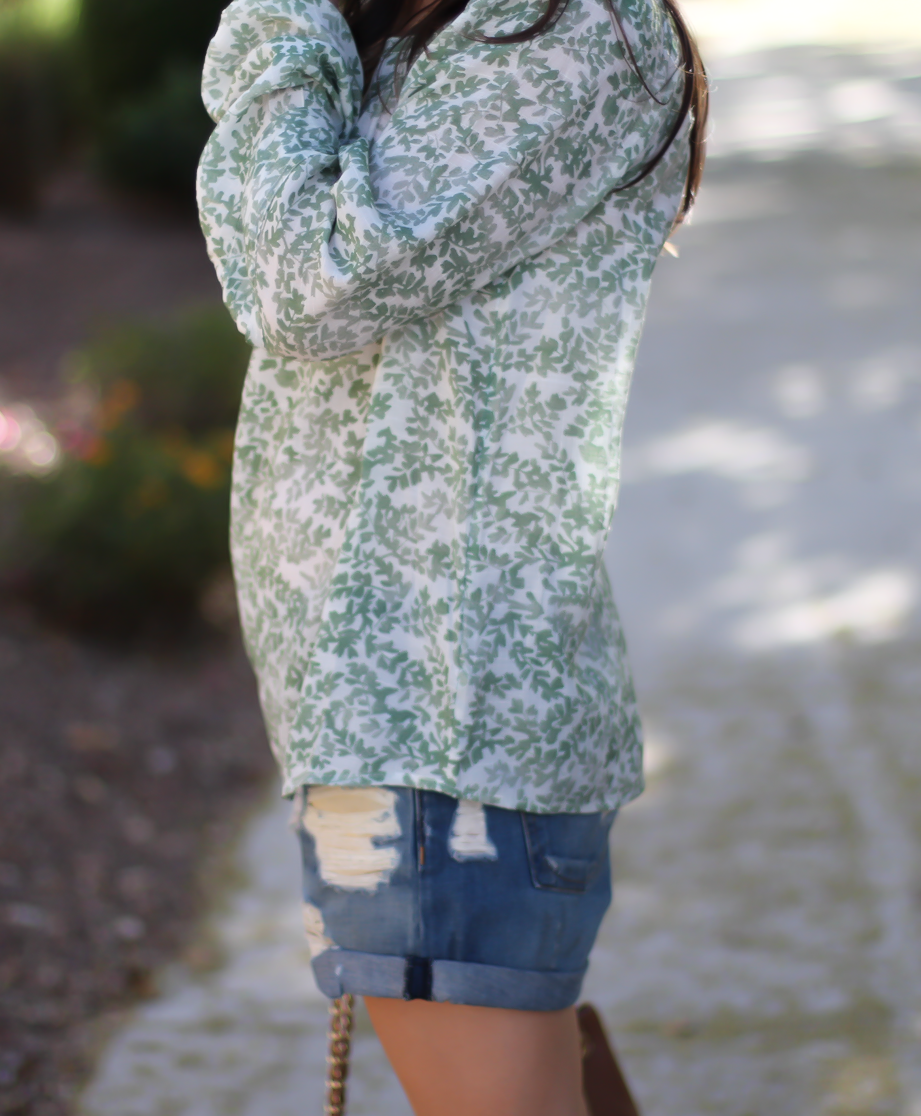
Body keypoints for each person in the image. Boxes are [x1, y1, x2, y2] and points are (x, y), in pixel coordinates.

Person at [196, 0, 705, 1107]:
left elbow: (306, 282)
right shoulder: (431, 27)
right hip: (374, 727)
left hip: (444, 737)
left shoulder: (569, 31)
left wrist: (280, 24)